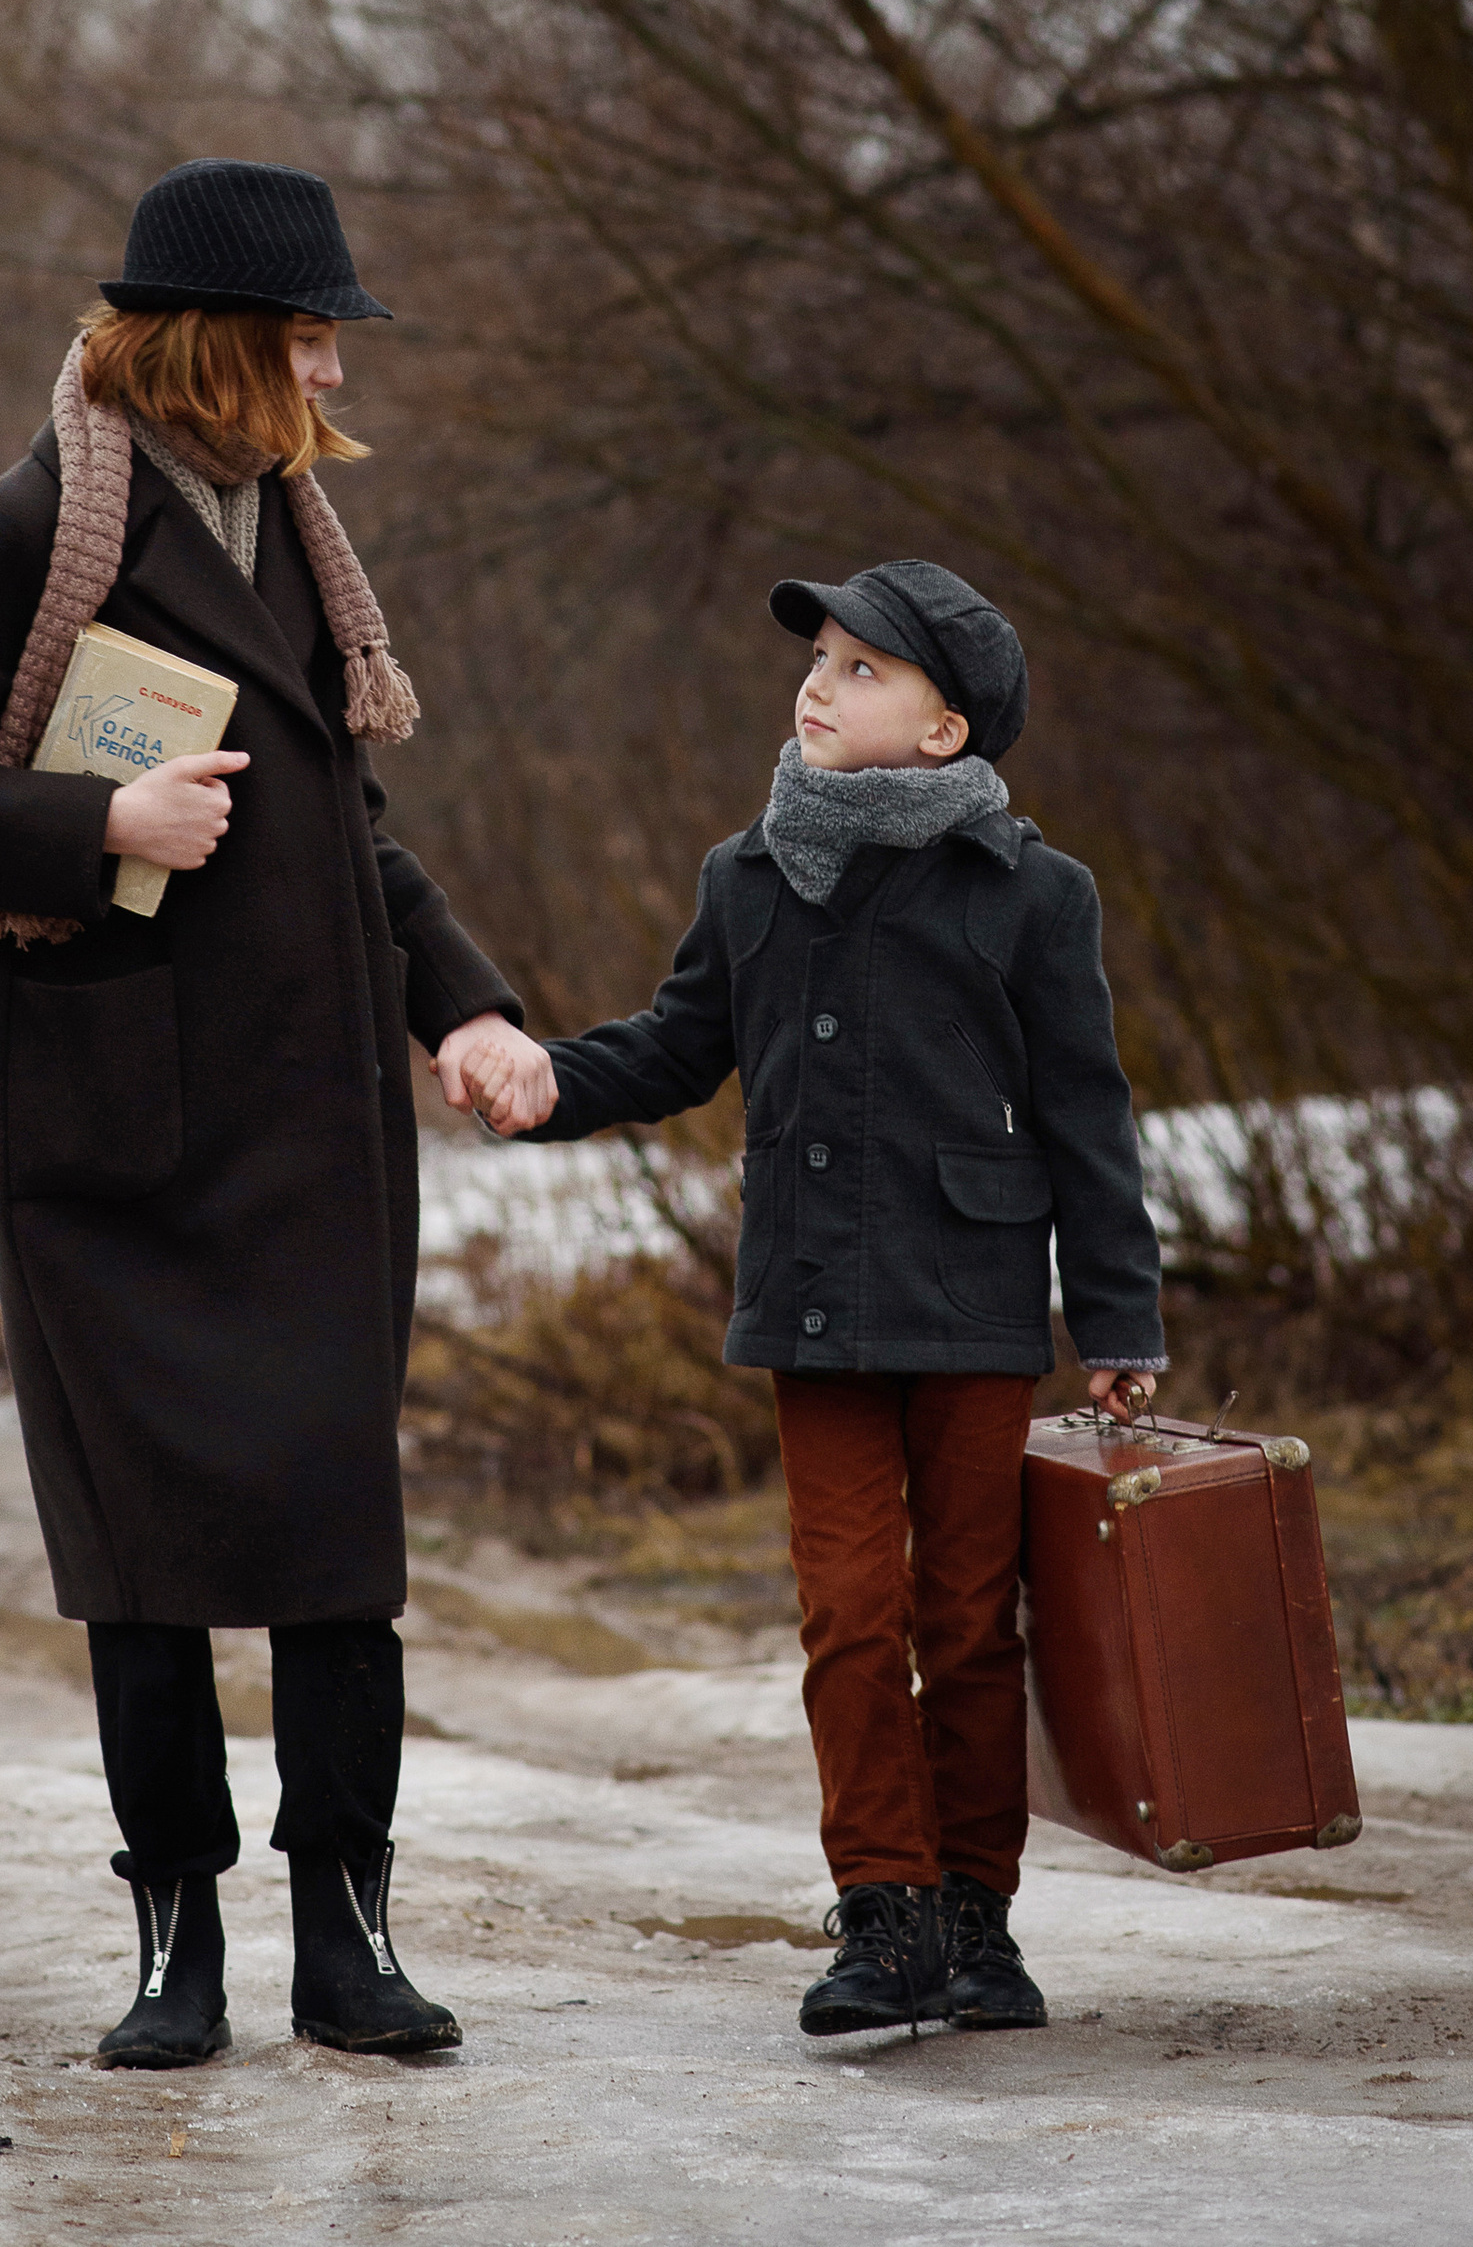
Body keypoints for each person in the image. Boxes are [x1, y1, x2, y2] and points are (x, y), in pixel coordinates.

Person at [0, 159, 527, 2067]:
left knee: (333, 1557)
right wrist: (95, 824)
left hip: (312, 1138)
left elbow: (340, 830)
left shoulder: (296, 534)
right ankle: (177, 1956)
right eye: (309, 336)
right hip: (111, 1145)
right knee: (144, 1574)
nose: (333, 373)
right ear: (222, 346)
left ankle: (349, 1949)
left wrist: (461, 1003)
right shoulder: (33, 525)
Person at [443, 559, 1166, 2042]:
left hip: (970, 1306)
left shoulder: (1032, 895)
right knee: (849, 1615)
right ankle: (884, 1917)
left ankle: (978, 1920)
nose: (817, 687)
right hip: (813, 1305)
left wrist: (1119, 1324)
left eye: (859, 670)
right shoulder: (750, 873)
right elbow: (676, 1046)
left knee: (968, 1621)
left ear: (945, 732)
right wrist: (547, 1080)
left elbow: (1089, 1118)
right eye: (819, 661)